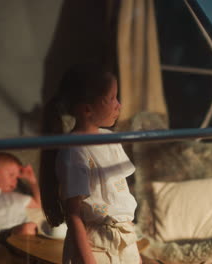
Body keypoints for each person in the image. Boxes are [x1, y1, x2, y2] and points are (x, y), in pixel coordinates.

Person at [39, 64, 142, 263]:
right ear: (87, 109)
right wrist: (88, 259)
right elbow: (74, 214)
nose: (118, 105)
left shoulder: (110, 140)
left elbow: (120, 195)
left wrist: (133, 249)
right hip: (94, 246)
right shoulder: (74, 151)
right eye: (111, 98)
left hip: (124, 238)